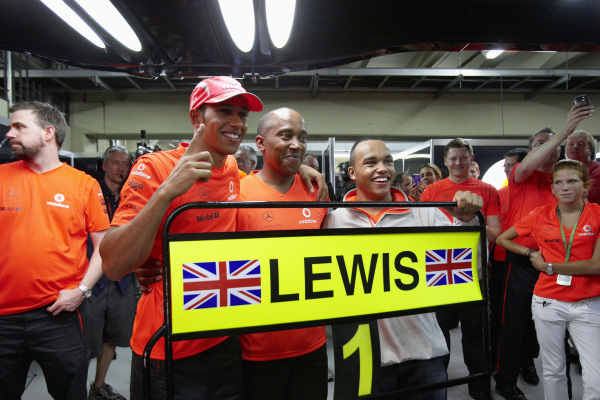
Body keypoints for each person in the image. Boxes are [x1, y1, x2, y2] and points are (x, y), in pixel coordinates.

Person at [100, 77, 326, 400]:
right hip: (170, 349)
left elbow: (261, 186)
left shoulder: (233, 168)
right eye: (225, 111)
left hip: (226, 344)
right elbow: (112, 263)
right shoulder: (156, 167)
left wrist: (299, 168)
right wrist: (166, 192)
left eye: (242, 115)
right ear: (197, 118)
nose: (237, 123)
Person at [322, 136, 484, 400]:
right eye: (371, 162)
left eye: (388, 161)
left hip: (425, 353)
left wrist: (467, 224)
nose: (382, 168)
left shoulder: (425, 214)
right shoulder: (332, 221)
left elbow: (469, 272)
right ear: (351, 172)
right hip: (365, 357)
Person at [0, 101, 110, 400]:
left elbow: (104, 247)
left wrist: (82, 291)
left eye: (19, 126)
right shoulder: (1, 177)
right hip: (3, 319)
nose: (10, 133)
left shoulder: (83, 185)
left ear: (49, 132)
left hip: (59, 314)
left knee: (69, 394)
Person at [495, 102, 594, 400]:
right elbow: (527, 164)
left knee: (539, 325)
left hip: (560, 264)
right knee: (512, 324)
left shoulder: (562, 181)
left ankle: (528, 363)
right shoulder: (522, 176)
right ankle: (505, 378)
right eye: (539, 144)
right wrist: (564, 131)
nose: (548, 148)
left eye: (553, 145)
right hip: (524, 258)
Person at [236, 108, 328, 400]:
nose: (296, 144)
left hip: (312, 345)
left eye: (302, 137)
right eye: (286, 136)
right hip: (256, 350)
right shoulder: (237, 193)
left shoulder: (316, 190)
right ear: (261, 144)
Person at [420, 138, 501, 400]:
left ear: (471, 158)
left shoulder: (487, 190)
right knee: (439, 331)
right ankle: (438, 382)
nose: (458, 163)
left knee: (475, 334)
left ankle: (478, 386)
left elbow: (495, 234)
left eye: (463, 158)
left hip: (474, 272)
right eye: (453, 158)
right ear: (445, 161)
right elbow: (421, 233)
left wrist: (465, 220)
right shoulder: (431, 191)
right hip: (438, 272)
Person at [88, 145, 134, 400]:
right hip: (92, 280)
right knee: (86, 343)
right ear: (104, 165)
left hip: (122, 281)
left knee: (112, 337)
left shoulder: (131, 195)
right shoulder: (90, 192)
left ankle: (98, 386)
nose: (121, 169)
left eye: (125, 164)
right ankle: (75, 388)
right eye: (116, 163)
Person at [489, 148, 528, 366]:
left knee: (527, 317)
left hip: (528, 260)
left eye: (512, 166)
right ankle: (496, 357)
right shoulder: (499, 193)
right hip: (501, 260)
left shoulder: (535, 191)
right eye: (506, 166)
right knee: (500, 314)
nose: (507, 171)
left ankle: (527, 360)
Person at [565, 130, 600, 204]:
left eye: (580, 144)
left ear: (590, 150)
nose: (575, 147)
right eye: (571, 144)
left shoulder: (598, 171)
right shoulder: (556, 172)